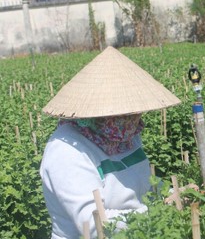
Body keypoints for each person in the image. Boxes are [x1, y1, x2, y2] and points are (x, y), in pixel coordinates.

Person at [40, 46, 189, 238]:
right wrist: (163, 210)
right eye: (125, 112)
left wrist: (173, 193)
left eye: (134, 111)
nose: (134, 118)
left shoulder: (125, 137)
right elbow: (94, 225)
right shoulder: (66, 151)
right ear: (100, 111)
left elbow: (144, 184)